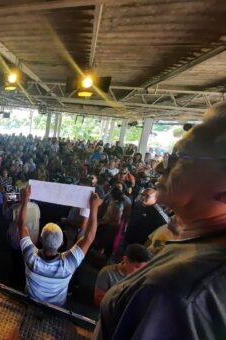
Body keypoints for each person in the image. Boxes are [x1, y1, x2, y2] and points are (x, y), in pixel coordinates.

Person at [95, 101, 226, 339]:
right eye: (170, 156)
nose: (163, 167)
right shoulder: (196, 247)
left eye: (183, 158)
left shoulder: (178, 291)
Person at [17, 185, 102, 306]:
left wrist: (24, 200)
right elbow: (89, 237)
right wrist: (94, 208)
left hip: (30, 305)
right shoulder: (68, 264)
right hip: (56, 310)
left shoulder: (31, 258)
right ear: (62, 243)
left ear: (41, 239)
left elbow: (21, 226)